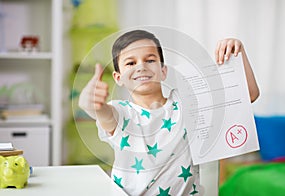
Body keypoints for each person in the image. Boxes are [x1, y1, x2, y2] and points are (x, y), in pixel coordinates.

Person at [79, 30, 259, 195]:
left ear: (163, 71)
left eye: (150, 60)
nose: (141, 67)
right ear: (119, 78)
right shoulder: (121, 112)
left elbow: (250, 94)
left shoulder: (186, 103)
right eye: (131, 63)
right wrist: (91, 104)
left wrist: (238, 52)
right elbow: (102, 113)